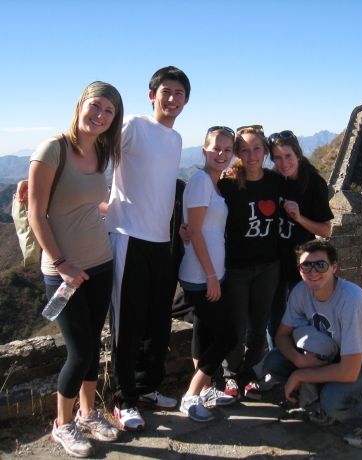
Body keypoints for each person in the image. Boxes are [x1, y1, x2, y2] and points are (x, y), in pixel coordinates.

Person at [27, 81, 123, 457]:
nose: (99, 115)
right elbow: (37, 214)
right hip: (63, 270)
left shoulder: (101, 152)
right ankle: (62, 425)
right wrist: (62, 262)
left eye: (108, 111)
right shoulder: (53, 149)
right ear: (81, 104)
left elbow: (90, 206)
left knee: (92, 348)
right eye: (95, 106)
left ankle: (88, 414)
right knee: (79, 351)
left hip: (100, 263)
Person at [106, 66, 191, 430]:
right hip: (127, 235)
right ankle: (123, 399)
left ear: (186, 101)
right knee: (128, 323)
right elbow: (96, 156)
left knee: (157, 321)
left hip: (161, 241)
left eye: (179, 94)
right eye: (166, 92)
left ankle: (147, 388)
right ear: (151, 94)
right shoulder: (133, 126)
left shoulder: (175, 140)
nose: (172, 99)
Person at [264, 239, 362, 449]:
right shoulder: (301, 292)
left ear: (334, 267)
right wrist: (298, 359)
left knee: (334, 399)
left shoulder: (351, 301)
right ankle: (322, 408)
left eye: (321, 265)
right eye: (306, 265)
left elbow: (350, 371)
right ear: (299, 269)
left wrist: (301, 374)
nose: (313, 271)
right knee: (274, 361)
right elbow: (282, 335)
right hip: (335, 355)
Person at [178, 126, 237, 422]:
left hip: (209, 272)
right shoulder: (202, 181)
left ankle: (203, 392)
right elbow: (197, 232)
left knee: (204, 332)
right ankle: (191, 396)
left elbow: (195, 228)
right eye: (216, 148)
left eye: (227, 150)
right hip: (202, 276)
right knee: (228, 336)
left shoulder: (214, 183)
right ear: (204, 150)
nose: (221, 154)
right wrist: (212, 276)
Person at [218, 125, 281, 398]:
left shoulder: (275, 182)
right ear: (237, 154)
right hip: (236, 266)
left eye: (257, 148)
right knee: (235, 324)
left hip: (269, 265)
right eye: (244, 149)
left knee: (259, 323)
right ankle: (230, 374)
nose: (252, 155)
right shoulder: (228, 185)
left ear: (265, 151)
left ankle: (252, 372)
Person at [266, 130, 334, 350]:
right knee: (274, 319)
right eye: (277, 157)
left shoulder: (314, 184)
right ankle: (276, 365)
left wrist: (299, 217)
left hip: (302, 264)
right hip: (274, 260)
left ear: (298, 155)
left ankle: (304, 361)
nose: (284, 163)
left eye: (288, 156)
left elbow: (326, 230)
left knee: (302, 317)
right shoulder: (274, 180)